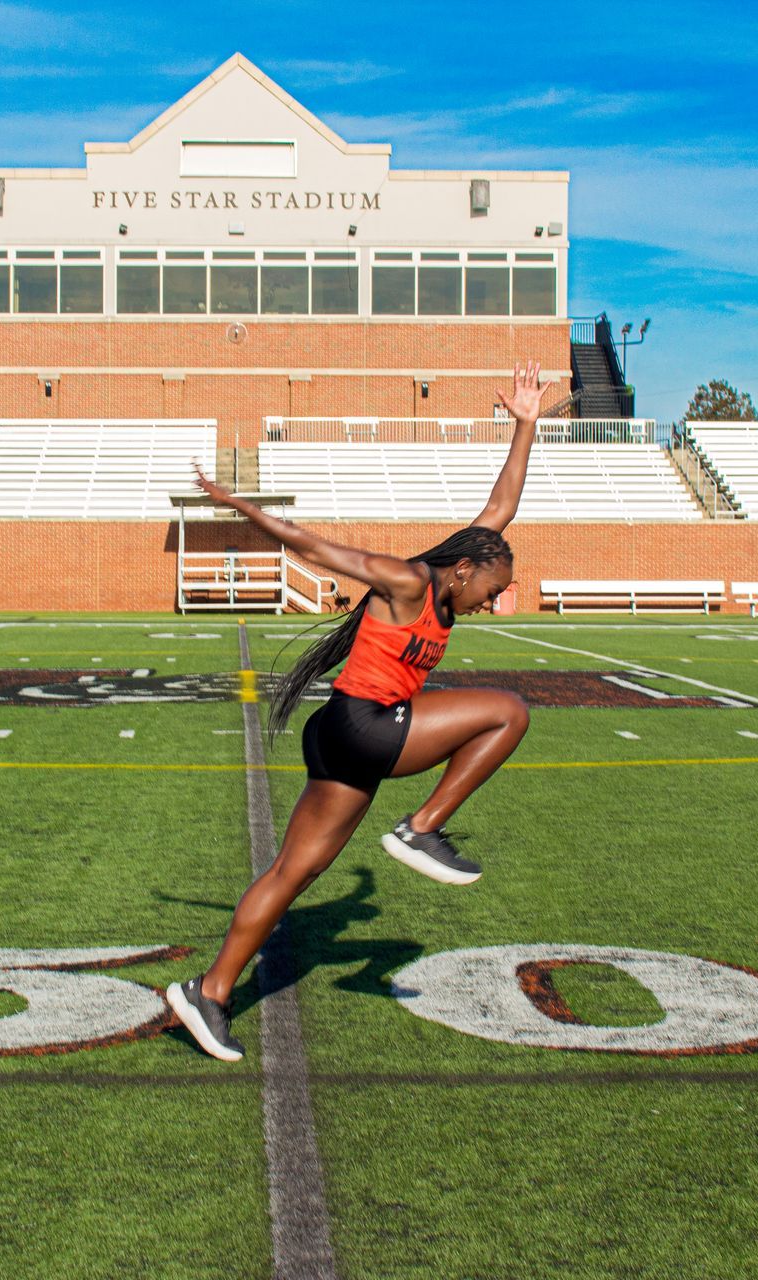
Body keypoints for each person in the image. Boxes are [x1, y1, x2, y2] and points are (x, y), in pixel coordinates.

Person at [167, 361, 555, 1061]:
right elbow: (315, 546)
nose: (492, 604)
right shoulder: (409, 582)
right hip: (364, 728)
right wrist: (237, 504)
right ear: (463, 573)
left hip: (346, 737)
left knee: (293, 874)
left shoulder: (464, 564)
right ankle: (421, 827)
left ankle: (209, 993)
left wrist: (525, 424)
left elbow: (500, 510)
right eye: (491, 593)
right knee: (508, 711)